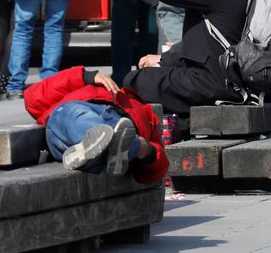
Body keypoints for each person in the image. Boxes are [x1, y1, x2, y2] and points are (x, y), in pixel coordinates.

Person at [124, 0, 252, 114]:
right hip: (230, 77)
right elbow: (204, 44)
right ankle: (184, 124)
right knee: (158, 76)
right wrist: (165, 59)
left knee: (136, 80)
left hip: (213, 82)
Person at [23, 65, 168, 181]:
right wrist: (86, 76)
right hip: (69, 121)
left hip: (120, 125)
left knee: (123, 131)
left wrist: (148, 150)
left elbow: (159, 169)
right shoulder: (91, 85)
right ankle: (111, 143)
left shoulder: (146, 114)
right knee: (74, 113)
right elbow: (32, 99)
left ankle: (101, 150)